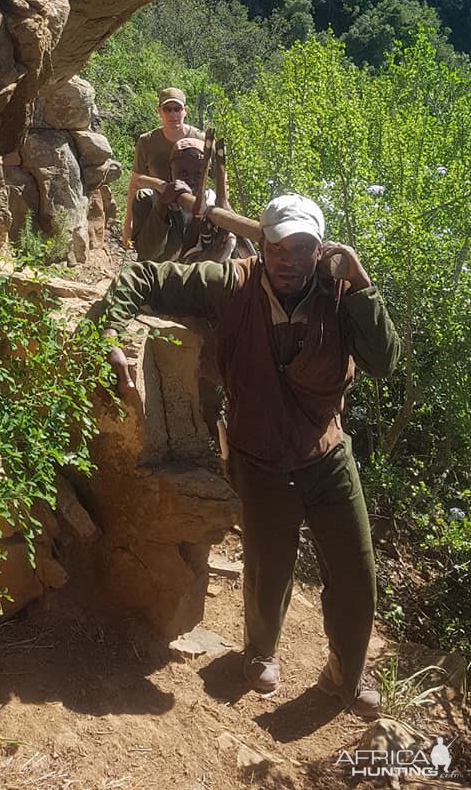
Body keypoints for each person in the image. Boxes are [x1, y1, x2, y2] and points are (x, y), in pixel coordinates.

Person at [97, 192, 400, 719]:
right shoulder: (231, 283)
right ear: (263, 246)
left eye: (302, 247)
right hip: (258, 455)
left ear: (319, 249)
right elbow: (143, 277)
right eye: (278, 246)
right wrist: (108, 331)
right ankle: (260, 652)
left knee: (355, 571)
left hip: (326, 453)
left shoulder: (340, 293)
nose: (288, 259)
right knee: (267, 568)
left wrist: (363, 287)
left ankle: (346, 673)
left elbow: (384, 361)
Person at [122, 88, 203, 247]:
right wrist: (128, 224)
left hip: (192, 204)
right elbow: (135, 181)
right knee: (143, 195)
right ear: (159, 111)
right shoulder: (147, 141)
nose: (173, 114)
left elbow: (219, 177)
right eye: (167, 109)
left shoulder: (200, 139)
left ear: (185, 111)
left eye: (177, 109)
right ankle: (145, 246)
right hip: (159, 206)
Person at [132, 137, 229, 263]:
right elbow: (147, 253)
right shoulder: (147, 199)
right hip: (154, 278)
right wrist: (162, 206)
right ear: (170, 172)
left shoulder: (212, 203)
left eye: (198, 174)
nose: (190, 180)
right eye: (182, 173)